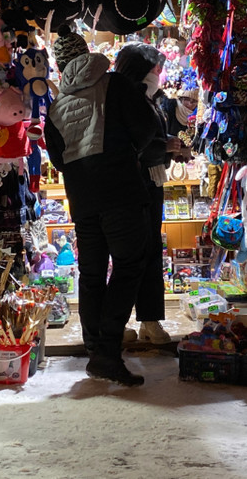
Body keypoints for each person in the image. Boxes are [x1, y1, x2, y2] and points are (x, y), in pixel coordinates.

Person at [44, 27, 160, 386]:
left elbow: (57, 158)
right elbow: (147, 127)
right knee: (128, 265)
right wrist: (125, 152)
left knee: (91, 273)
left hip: (82, 195)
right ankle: (108, 352)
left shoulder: (56, 105)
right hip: (121, 188)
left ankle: (96, 348)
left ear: (62, 65)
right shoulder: (115, 84)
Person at [114, 44, 191, 344]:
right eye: (155, 68)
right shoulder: (126, 100)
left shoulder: (153, 101)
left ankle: (149, 320)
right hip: (131, 184)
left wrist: (172, 148)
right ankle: (117, 324)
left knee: (148, 254)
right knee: (129, 256)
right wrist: (164, 147)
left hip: (151, 182)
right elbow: (129, 146)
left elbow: (150, 141)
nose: (159, 74)